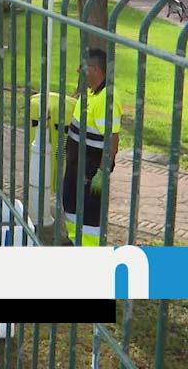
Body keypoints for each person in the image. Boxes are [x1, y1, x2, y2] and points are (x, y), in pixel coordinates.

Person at [62, 48, 122, 247]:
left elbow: (112, 138)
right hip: (76, 162)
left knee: (89, 212)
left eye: (84, 68)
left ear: (95, 69)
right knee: (70, 201)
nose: (80, 72)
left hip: (91, 166)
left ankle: (89, 248)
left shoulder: (107, 99)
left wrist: (103, 170)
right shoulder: (90, 93)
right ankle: (74, 240)